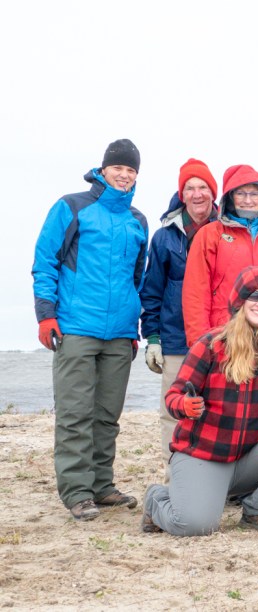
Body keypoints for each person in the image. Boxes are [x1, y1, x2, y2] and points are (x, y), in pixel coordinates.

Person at [141, 267, 258, 536]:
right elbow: (173, 396)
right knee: (196, 525)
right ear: (240, 301)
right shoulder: (210, 345)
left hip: (248, 459)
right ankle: (156, 498)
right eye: (255, 296)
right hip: (203, 455)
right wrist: (185, 406)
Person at [32, 138, 148, 521]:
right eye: (119, 167)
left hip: (119, 333)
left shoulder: (138, 220)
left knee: (106, 415)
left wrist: (133, 328)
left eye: (131, 170)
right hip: (76, 328)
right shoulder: (71, 207)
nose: (124, 174)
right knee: (75, 413)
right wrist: (45, 314)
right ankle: (78, 492)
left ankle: (101, 485)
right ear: (103, 168)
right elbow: (45, 262)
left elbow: (136, 277)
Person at [139, 158, 219, 470]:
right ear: (181, 194)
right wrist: (153, 338)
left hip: (218, 339)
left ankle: (217, 481)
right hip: (175, 340)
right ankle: (176, 480)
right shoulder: (164, 237)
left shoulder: (226, 229)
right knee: (173, 412)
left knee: (216, 411)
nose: (197, 194)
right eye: (190, 188)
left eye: (203, 187)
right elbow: (152, 291)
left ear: (213, 193)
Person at [182, 164, 258, 347]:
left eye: (254, 193)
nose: (247, 200)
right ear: (230, 198)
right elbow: (195, 294)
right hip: (224, 338)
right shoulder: (209, 235)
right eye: (240, 193)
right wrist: (201, 344)